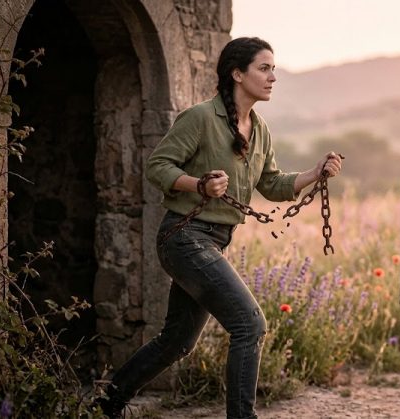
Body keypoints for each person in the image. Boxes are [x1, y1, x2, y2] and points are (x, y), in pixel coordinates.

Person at [94, 37, 342, 418]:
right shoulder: (199, 118)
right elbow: (157, 166)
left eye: (274, 68)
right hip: (184, 236)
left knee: (177, 341)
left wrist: (315, 172)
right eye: (264, 68)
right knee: (250, 324)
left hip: (215, 241)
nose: (273, 77)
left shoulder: (260, 130)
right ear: (237, 74)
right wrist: (199, 185)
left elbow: (272, 184)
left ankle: (105, 405)